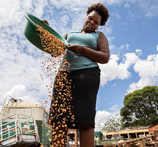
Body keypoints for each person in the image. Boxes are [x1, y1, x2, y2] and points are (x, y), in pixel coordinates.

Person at [46, 3, 110, 147]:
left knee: (84, 120)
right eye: (90, 18)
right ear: (86, 16)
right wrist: (45, 30)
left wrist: (82, 49)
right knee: (58, 119)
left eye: (96, 22)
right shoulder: (70, 34)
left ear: (99, 26)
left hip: (87, 76)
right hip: (63, 76)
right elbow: (54, 51)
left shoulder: (99, 35)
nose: (92, 23)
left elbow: (105, 57)